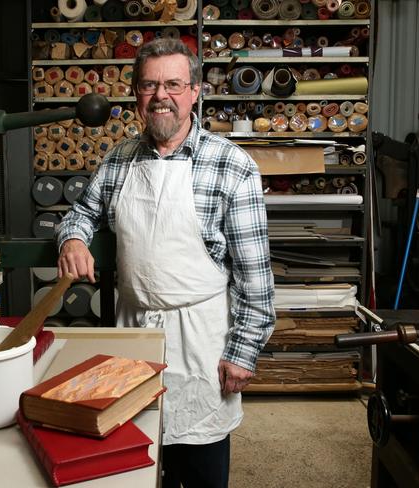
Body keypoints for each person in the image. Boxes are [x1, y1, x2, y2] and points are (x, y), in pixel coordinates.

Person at [55, 38, 275, 488]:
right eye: (149, 85)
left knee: (200, 468)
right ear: (136, 94)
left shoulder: (231, 165)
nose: (161, 96)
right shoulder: (118, 161)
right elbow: (80, 213)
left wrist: (243, 352)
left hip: (201, 341)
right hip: (133, 331)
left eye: (174, 84)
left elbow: (256, 279)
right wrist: (74, 239)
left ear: (195, 91)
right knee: (134, 465)